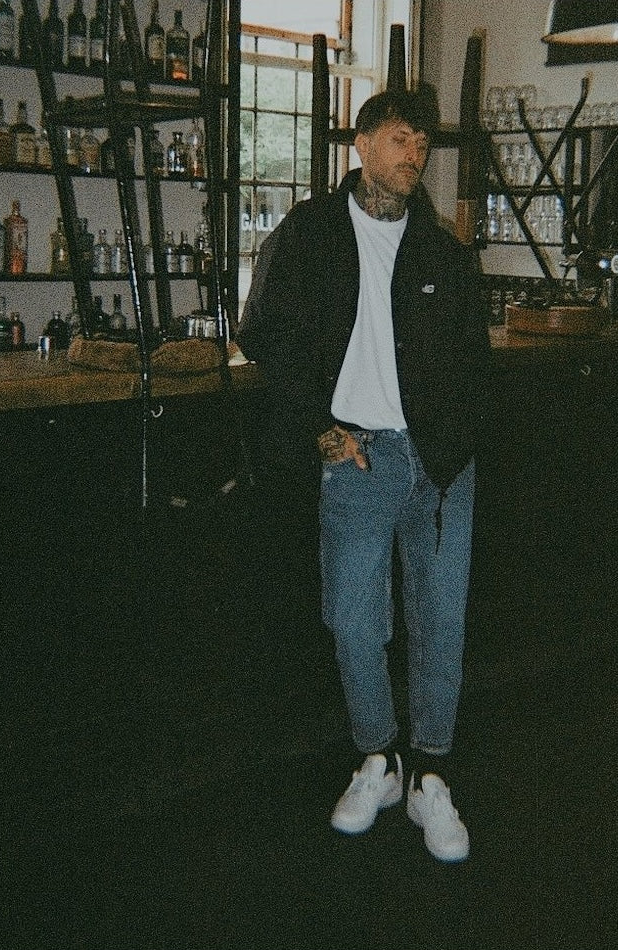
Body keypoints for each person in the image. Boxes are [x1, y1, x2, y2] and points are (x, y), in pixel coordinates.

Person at [236, 87, 491, 863]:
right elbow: (265, 336)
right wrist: (321, 429)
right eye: (401, 139)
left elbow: (472, 357)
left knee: (440, 622)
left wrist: (458, 439)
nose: (415, 155)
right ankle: (379, 758)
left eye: (423, 145)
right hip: (357, 458)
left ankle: (432, 774)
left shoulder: (441, 250)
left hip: (439, 463)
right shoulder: (311, 233)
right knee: (352, 621)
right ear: (363, 143)